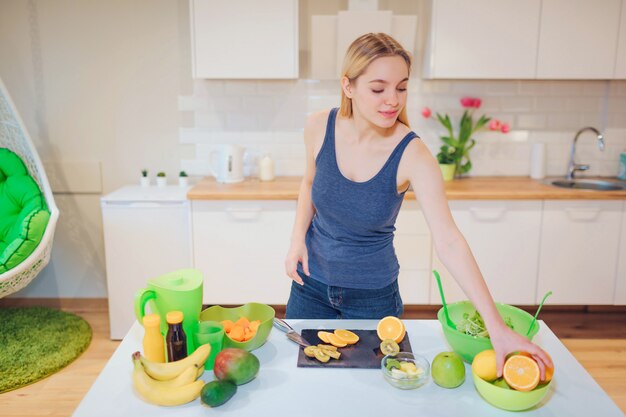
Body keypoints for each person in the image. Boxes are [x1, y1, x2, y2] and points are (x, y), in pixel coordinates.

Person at [283, 32, 552, 379]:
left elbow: (450, 241)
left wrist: (496, 327)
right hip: (309, 287)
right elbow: (308, 183)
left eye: (402, 87)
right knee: (305, 385)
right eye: (378, 89)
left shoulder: (413, 154)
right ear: (348, 86)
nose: (392, 100)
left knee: (374, 393)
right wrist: (296, 241)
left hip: (373, 299)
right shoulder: (319, 125)